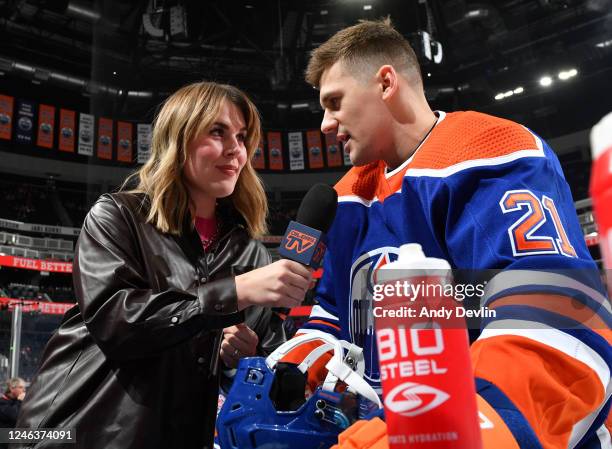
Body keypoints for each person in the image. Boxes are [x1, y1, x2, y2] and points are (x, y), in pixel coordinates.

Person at [284, 19, 611, 449]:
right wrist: (290, 373)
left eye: (335, 102)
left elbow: (556, 321)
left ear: (385, 83)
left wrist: (430, 434)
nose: (326, 124)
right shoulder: (346, 196)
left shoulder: (488, 151)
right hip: (379, 426)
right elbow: (335, 318)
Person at [15, 81, 312, 449]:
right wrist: (234, 292)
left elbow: (271, 380)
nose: (236, 150)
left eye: (242, 136)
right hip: (74, 432)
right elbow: (118, 325)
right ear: (178, 137)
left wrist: (246, 358)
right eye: (217, 132)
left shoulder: (251, 255)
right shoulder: (116, 216)